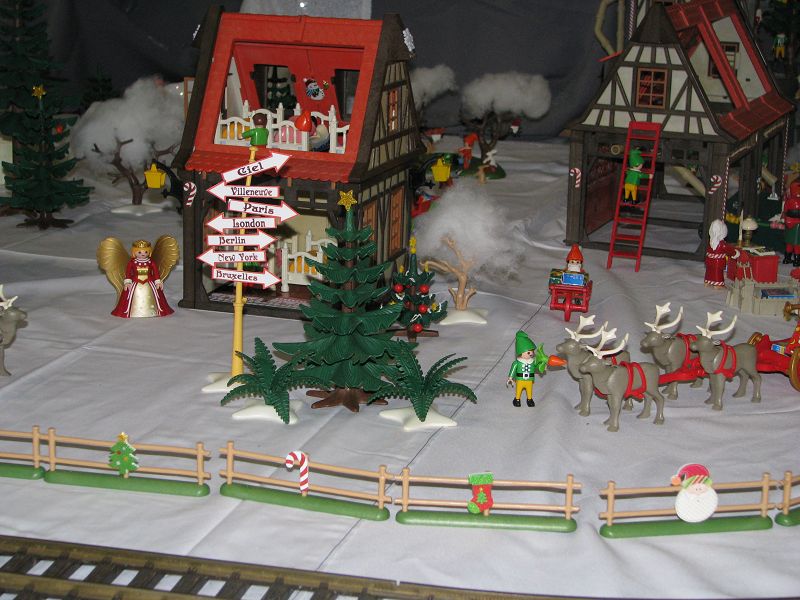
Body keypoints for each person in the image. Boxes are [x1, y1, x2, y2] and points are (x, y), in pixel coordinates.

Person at [111, 240, 174, 318]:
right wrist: (127, 282)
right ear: (134, 252)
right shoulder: (132, 263)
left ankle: (156, 310)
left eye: (146, 252)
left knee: (156, 296)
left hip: (149, 283)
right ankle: (131, 311)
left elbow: (155, 273)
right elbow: (128, 274)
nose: (143, 254)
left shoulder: (151, 262)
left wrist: (157, 281)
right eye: (139, 252)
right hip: (135, 283)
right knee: (129, 296)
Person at [506, 331, 549, 407]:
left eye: (532, 352)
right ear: (521, 352)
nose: (531, 354)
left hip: (529, 380)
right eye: (528, 352)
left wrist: (542, 367)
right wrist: (510, 378)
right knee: (518, 390)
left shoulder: (532, 362)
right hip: (520, 379)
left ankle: (529, 399)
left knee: (529, 390)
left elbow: (536, 367)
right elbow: (513, 369)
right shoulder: (517, 362)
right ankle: (517, 399)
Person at [704, 219, 738, 287]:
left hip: (709, 260)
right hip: (718, 262)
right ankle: (718, 284)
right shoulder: (722, 244)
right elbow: (729, 250)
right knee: (717, 272)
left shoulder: (711, 242)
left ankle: (707, 281)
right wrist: (735, 253)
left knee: (709, 271)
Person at [783, 180, 800, 265]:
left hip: (789, 221)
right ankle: (797, 260)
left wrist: (786, 219)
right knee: (797, 243)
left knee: (789, 243)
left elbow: (785, 211)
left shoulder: (788, 201)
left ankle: (787, 258)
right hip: (797, 223)